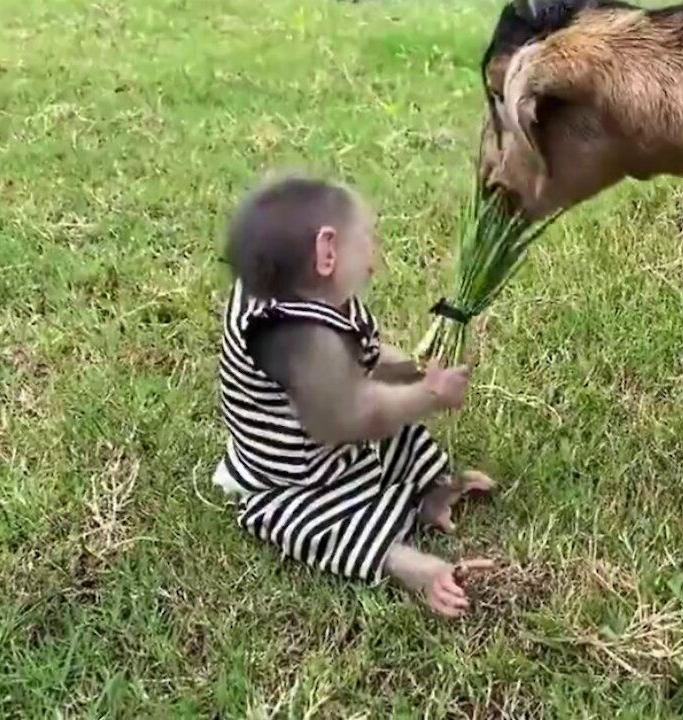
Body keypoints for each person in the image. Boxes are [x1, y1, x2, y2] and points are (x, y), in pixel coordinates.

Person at [210, 174, 494, 618]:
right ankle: (406, 564)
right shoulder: (292, 335)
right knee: (313, 524)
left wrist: (414, 369)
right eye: (367, 242)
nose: (374, 260)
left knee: (404, 443)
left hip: (337, 437)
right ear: (327, 251)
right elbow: (356, 417)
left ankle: (426, 496)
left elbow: (365, 354)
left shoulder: (308, 289)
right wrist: (429, 394)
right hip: (295, 474)